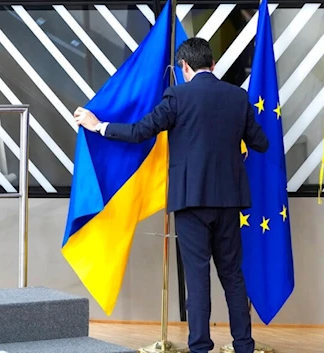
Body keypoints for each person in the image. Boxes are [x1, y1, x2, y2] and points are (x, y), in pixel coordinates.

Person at [74, 37, 268, 353]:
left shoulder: (177, 96)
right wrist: (236, 150)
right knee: (233, 277)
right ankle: (244, 345)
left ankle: (201, 348)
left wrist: (98, 126)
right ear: (213, 64)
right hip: (230, 201)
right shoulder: (237, 97)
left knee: (198, 278)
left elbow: (139, 132)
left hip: (191, 202)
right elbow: (261, 143)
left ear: (184, 67)